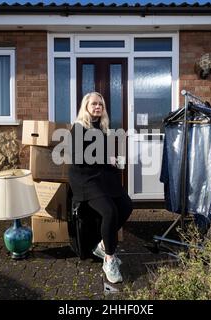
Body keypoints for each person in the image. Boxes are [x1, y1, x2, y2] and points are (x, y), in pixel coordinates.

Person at [68, 92, 133, 284]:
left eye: (101, 105)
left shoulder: (103, 128)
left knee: (126, 206)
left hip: (102, 176)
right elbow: (79, 157)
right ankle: (109, 259)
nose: (98, 107)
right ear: (86, 106)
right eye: (94, 104)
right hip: (85, 179)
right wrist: (107, 159)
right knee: (110, 211)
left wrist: (113, 161)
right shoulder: (78, 127)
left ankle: (103, 244)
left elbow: (102, 155)